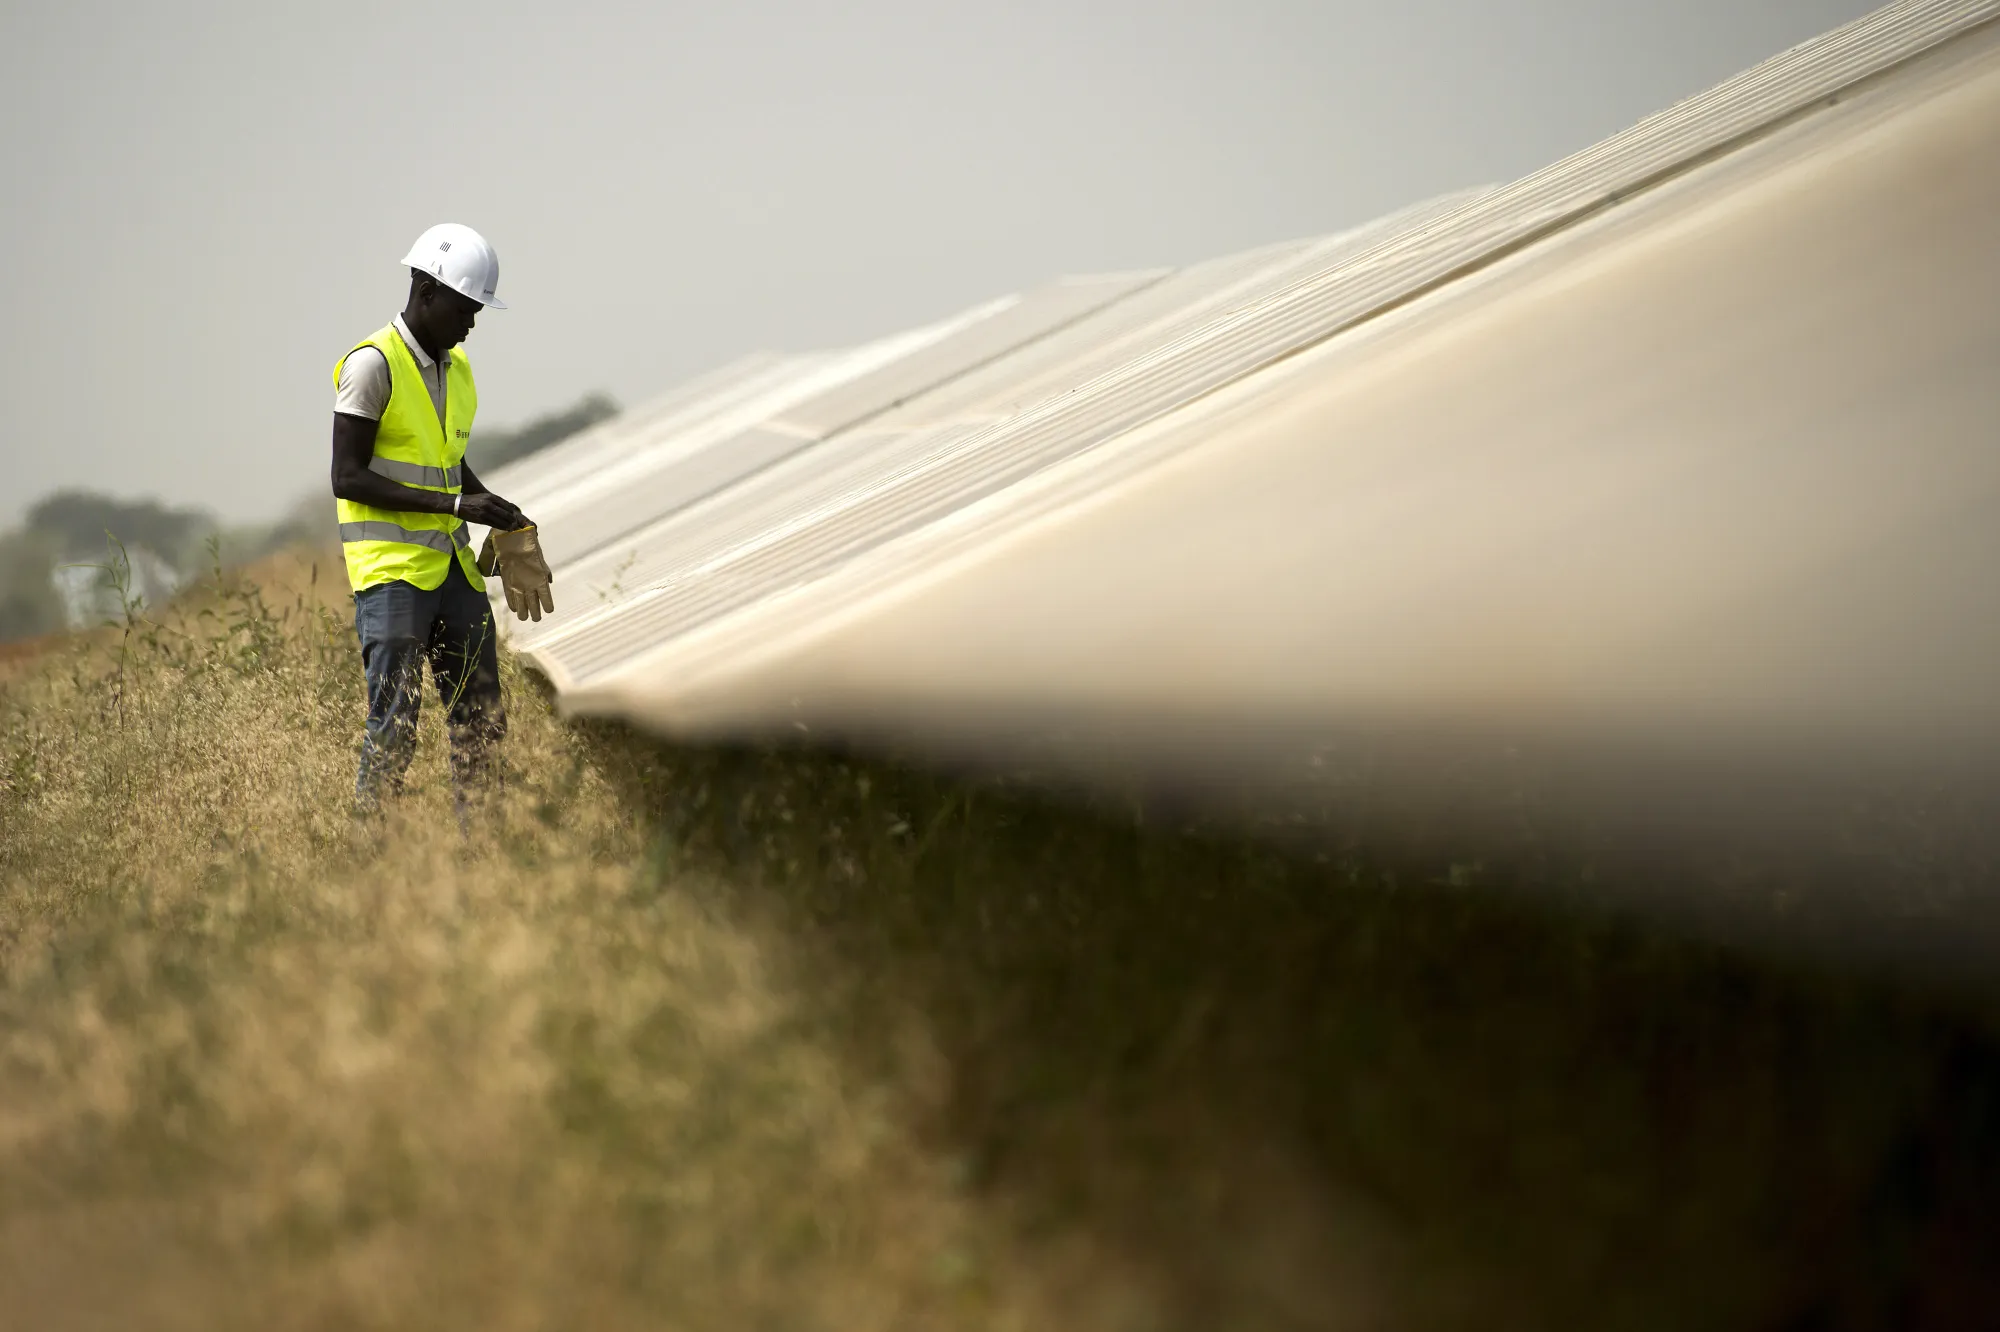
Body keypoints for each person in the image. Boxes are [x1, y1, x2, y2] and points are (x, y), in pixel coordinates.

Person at [330, 222, 535, 815]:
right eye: (465, 309)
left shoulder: (457, 366)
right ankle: (373, 868)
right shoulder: (372, 365)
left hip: (453, 573)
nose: (471, 323)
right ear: (425, 290)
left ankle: (485, 860)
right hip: (392, 576)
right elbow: (348, 477)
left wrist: (500, 512)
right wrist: (453, 505)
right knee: (394, 728)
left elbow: (444, 461)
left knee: (482, 721)